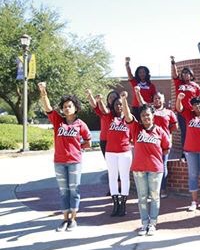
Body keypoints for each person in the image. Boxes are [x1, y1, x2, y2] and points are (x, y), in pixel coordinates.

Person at [37, 82, 91, 232]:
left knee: (74, 190)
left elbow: (88, 142)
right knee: (63, 191)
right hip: (59, 162)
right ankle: (64, 219)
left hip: (74, 162)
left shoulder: (81, 124)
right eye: (65, 106)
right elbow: (47, 107)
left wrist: (78, 149)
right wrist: (43, 92)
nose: (67, 108)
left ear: (75, 108)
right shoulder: (58, 121)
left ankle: (73, 219)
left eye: (70, 106)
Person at [120, 91, 171, 236]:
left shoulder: (160, 132)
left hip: (155, 169)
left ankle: (153, 223)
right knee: (142, 197)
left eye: (148, 115)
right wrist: (124, 99)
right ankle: (144, 223)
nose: (146, 117)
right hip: (139, 169)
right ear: (140, 119)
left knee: (154, 197)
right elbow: (128, 116)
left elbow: (166, 149)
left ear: (153, 116)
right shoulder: (136, 129)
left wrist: (154, 157)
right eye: (143, 116)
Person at [135, 87, 178, 199]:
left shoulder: (169, 112)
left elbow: (175, 126)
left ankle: (161, 189)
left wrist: (168, 135)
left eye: (159, 98)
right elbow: (142, 103)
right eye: (155, 98)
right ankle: (150, 191)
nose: (157, 100)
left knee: (162, 165)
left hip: (162, 142)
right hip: (149, 142)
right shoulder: (150, 110)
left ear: (163, 100)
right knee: (150, 165)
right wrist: (138, 92)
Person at [176, 94, 200, 212]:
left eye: (199, 103)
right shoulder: (189, 115)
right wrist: (179, 99)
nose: (197, 106)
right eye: (195, 104)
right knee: (193, 175)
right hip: (190, 151)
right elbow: (179, 108)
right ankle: (193, 201)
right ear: (192, 107)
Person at [96, 94, 132, 217]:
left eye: (121, 104)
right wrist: (99, 100)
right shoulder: (109, 117)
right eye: (116, 104)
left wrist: (124, 99)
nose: (119, 106)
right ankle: (115, 204)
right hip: (110, 152)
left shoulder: (128, 118)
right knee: (112, 178)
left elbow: (128, 115)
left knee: (124, 177)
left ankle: (123, 205)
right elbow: (103, 110)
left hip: (124, 152)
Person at [86, 90, 121, 196]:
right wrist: (90, 96)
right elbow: (95, 105)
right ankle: (113, 188)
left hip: (116, 141)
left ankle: (120, 187)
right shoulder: (103, 110)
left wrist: (99, 101)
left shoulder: (118, 112)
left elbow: (105, 110)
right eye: (110, 97)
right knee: (111, 166)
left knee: (120, 166)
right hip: (104, 141)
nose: (111, 99)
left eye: (114, 97)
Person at [171, 55, 200, 158]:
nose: (185, 75)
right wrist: (173, 63)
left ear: (191, 75)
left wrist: (197, 109)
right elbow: (175, 74)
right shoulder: (178, 83)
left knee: (194, 131)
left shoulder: (195, 86)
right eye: (183, 73)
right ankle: (185, 152)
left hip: (192, 113)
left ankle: (195, 150)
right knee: (184, 132)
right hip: (181, 112)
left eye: (187, 73)